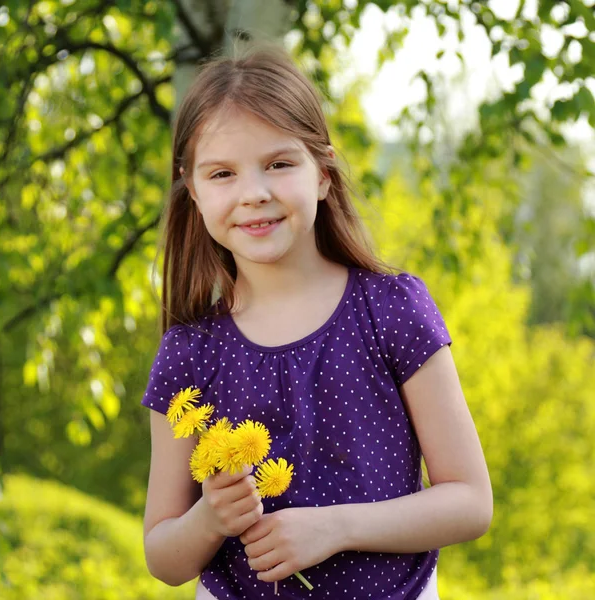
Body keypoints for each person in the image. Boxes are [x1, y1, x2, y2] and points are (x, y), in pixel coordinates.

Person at [140, 43, 492, 600]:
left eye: (279, 164)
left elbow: (471, 501)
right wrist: (209, 519)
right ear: (194, 190)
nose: (254, 194)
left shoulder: (391, 310)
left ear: (323, 174)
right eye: (222, 173)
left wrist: (336, 527)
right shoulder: (190, 353)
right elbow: (162, 554)